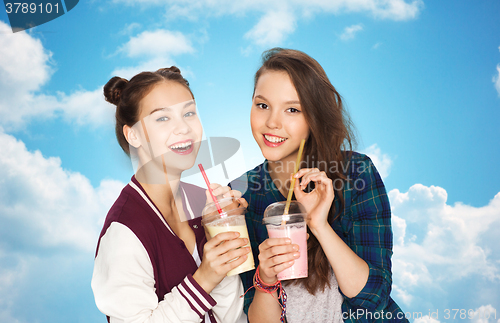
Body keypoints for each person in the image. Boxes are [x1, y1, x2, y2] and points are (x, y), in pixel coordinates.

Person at [230, 48, 408, 322]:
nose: (272, 122)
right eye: (262, 105)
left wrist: (319, 225)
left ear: (314, 117)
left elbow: (372, 299)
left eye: (292, 109)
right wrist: (265, 278)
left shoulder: (355, 173)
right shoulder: (242, 194)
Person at [91, 67, 249, 323]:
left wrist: (218, 234)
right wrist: (205, 277)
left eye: (189, 113)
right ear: (133, 135)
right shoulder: (125, 231)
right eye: (163, 118)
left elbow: (232, 317)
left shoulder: (204, 204)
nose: (184, 128)